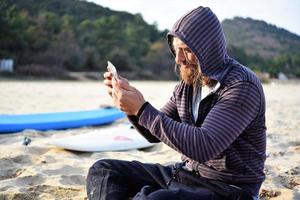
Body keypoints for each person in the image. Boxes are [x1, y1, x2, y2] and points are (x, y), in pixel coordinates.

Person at [87, 6, 266, 200]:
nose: (179, 59)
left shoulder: (241, 86)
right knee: (104, 170)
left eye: (187, 50)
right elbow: (152, 133)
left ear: (209, 50)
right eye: (176, 49)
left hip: (229, 189)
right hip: (187, 174)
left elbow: (204, 146)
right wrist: (130, 107)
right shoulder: (189, 83)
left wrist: (142, 108)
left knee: (156, 199)